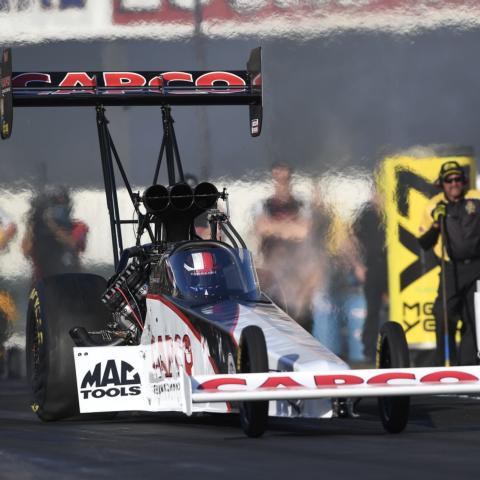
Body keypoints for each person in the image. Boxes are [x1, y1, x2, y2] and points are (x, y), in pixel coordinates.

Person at [418, 161, 480, 365]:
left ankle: (470, 367)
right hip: (449, 268)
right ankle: (447, 364)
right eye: (449, 180)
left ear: (463, 181)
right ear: (441, 184)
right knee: (444, 316)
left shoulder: (475, 198)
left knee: (474, 319)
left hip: (476, 268)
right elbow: (424, 243)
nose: (454, 184)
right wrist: (436, 224)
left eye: (457, 179)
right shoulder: (433, 206)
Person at [255, 162, 317, 332]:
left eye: (284, 177)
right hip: (272, 267)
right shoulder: (264, 204)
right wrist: (289, 228)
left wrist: (275, 228)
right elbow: (261, 228)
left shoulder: (300, 204)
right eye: (277, 177)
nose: (281, 181)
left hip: (298, 267)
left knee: (302, 314)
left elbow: (303, 231)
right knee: (275, 317)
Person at [22, 186, 89, 283]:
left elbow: (72, 243)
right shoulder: (36, 232)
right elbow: (26, 251)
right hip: (43, 287)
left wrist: (52, 225)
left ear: (68, 206)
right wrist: (31, 222)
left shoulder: (78, 227)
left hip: (72, 283)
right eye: (55, 204)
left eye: (62, 204)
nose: (58, 208)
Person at [352, 190, 388, 362]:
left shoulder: (394, 212)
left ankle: (394, 345)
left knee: (394, 308)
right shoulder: (366, 214)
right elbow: (351, 239)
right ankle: (369, 351)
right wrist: (357, 265)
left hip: (393, 267)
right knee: (373, 309)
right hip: (372, 267)